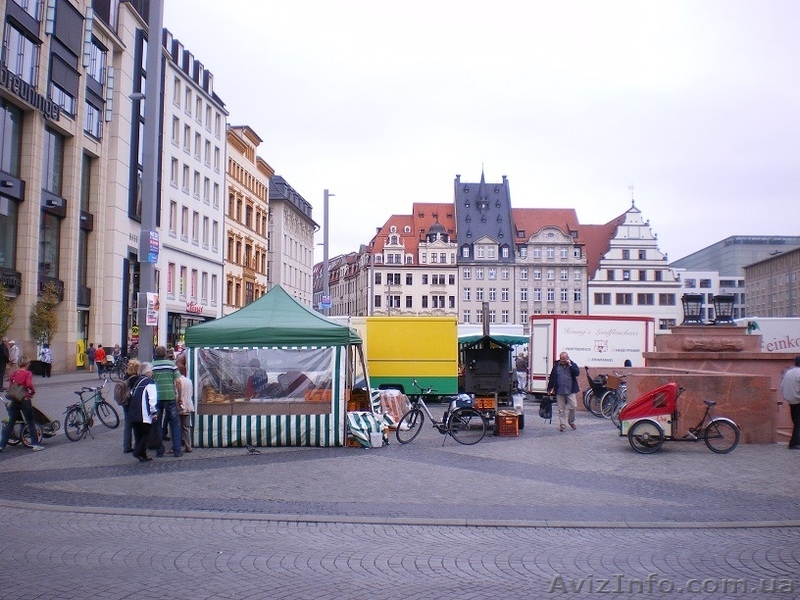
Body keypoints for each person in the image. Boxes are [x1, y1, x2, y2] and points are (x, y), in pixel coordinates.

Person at [0, 357, 44, 451]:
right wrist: (32, 391)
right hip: (25, 399)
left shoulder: (14, 374)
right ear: (27, 364)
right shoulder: (28, 373)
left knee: (11, 423)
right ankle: (35, 444)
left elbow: (11, 387)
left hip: (15, 400)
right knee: (30, 422)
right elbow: (28, 384)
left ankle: (1, 445)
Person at [152, 345, 182, 457]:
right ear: (165, 354)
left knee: (157, 425)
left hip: (156, 399)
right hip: (170, 397)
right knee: (174, 424)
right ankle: (177, 451)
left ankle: (160, 451)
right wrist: (180, 396)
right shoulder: (171, 365)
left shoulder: (152, 366)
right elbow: (178, 381)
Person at [128, 362, 158, 462]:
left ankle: (143, 455)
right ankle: (137, 452)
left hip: (133, 412)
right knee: (146, 434)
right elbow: (152, 398)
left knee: (138, 435)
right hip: (144, 413)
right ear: (148, 372)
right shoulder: (150, 382)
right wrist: (154, 412)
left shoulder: (137, 381)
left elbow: (132, 393)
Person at [547, 351, 580, 432]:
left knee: (573, 406)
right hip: (559, 391)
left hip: (570, 390)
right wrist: (549, 388)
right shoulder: (556, 366)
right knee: (561, 409)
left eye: (564, 359)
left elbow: (577, 373)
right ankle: (563, 425)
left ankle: (571, 421)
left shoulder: (572, 364)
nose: (562, 361)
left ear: (567, 358)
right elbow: (552, 377)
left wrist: (570, 365)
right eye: (561, 359)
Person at [780, 356, 800, 450]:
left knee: (796, 422)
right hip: (798, 400)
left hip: (791, 401)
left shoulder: (789, 372)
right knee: (798, 423)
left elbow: (782, 386)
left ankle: (795, 442)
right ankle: (794, 443)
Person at [122, 358, 141, 453]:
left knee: (127, 424)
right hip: (133, 403)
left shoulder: (125, 377)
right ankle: (137, 445)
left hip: (125, 403)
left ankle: (126, 446)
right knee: (137, 425)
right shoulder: (136, 379)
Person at [177, 361, 194, 453]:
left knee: (176, 427)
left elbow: (176, 394)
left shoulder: (176, 381)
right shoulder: (189, 381)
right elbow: (190, 393)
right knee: (186, 428)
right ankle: (188, 446)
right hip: (188, 405)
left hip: (179, 406)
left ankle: (175, 446)